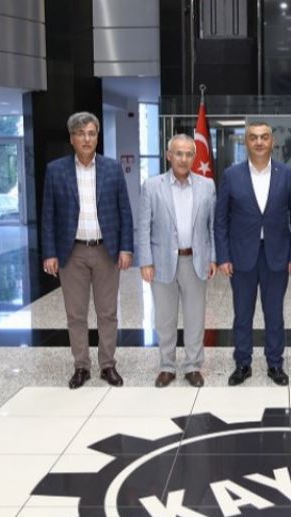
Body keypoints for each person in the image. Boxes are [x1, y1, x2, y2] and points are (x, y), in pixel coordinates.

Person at [41, 111, 134, 389]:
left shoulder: (112, 168)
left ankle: (108, 365)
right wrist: (49, 253)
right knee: (76, 314)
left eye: (91, 133)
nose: (86, 139)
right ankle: (81, 366)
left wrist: (126, 248)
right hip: (72, 252)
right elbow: (48, 215)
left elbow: (124, 211)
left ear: (97, 137)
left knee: (107, 312)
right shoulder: (56, 170)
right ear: (72, 139)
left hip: (106, 250)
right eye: (81, 133)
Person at [214, 121, 291, 386]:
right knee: (242, 314)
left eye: (264, 137)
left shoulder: (287, 174)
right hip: (241, 255)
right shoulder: (231, 175)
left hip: (277, 255)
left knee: (274, 314)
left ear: (272, 142)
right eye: (253, 137)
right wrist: (223, 256)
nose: (259, 142)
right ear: (246, 142)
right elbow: (221, 220)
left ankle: (275, 363)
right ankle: (242, 363)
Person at [138, 134, 216, 388]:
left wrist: (213, 257)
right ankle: (167, 366)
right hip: (161, 262)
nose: (183, 159)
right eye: (178, 153)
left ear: (194, 157)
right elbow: (143, 227)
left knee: (195, 318)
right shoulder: (152, 186)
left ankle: (193, 366)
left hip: (195, 260)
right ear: (168, 155)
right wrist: (145, 261)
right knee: (165, 319)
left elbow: (212, 226)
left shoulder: (207, 186)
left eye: (189, 154)